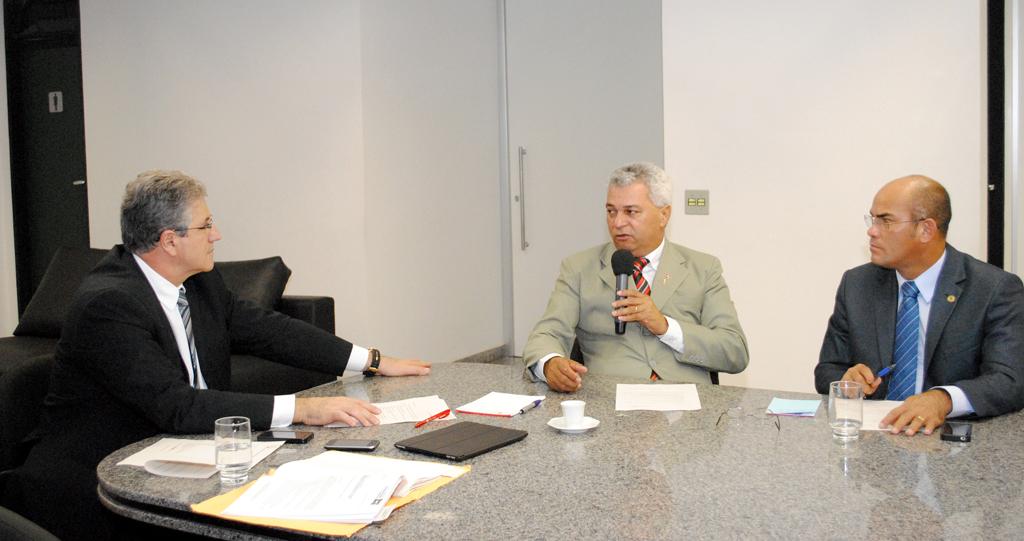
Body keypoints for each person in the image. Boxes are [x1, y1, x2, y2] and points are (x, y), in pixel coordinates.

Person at [2, 170, 430, 539]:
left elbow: (269, 330)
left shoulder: (199, 282)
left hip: (186, 457)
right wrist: (303, 409)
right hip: (101, 484)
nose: (217, 235)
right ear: (170, 241)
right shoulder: (109, 305)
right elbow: (177, 405)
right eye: (206, 225)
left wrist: (372, 361)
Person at [815, 175, 1024, 436]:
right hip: (873, 441)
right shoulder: (857, 284)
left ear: (926, 229)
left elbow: (1010, 380)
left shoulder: (993, 289)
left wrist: (944, 399)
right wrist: (847, 380)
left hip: (949, 446)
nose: (872, 231)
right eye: (872, 219)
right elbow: (827, 371)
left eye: (885, 221)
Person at [523, 162, 748, 392]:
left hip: (686, 401)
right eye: (611, 211)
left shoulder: (703, 268)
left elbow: (735, 351)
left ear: (664, 215)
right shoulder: (579, 268)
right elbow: (546, 333)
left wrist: (665, 327)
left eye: (631, 212)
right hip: (609, 400)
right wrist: (549, 364)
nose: (618, 223)